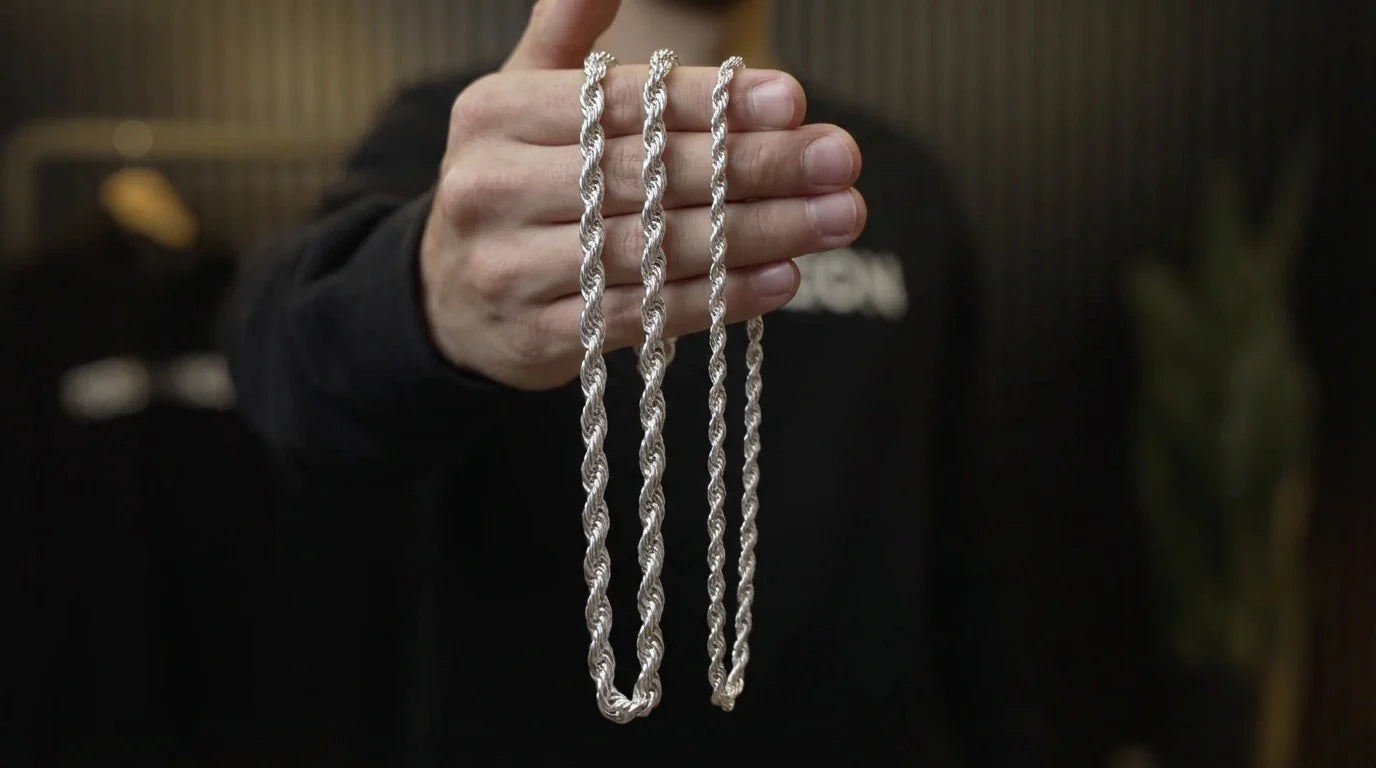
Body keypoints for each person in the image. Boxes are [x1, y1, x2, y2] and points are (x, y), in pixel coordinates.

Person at [224, 0, 1009, 764]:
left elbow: (966, 536)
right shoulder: (468, 141)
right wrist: (423, 294)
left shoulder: (897, 181)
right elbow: (285, 369)